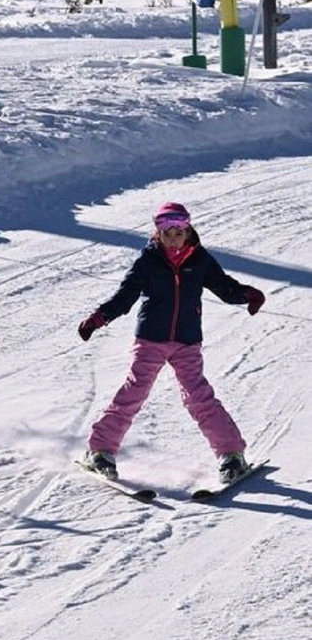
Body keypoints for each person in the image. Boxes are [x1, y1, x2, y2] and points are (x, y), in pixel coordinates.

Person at [78, 202, 265, 484]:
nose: (174, 238)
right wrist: (98, 318)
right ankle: (101, 450)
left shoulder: (200, 259)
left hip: (187, 340)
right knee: (135, 391)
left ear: (188, 230)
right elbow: (125, 296)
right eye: (167, 232)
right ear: (158, 233)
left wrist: (247, 294)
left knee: (198, 396)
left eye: (179, 231)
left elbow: (223, 285)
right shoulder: (147, 262)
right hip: (151, 338)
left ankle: (231, 454)